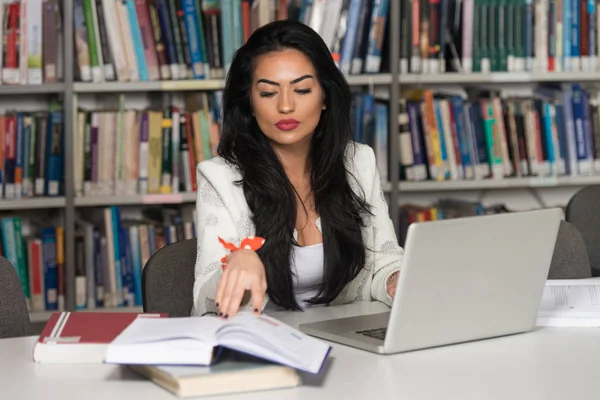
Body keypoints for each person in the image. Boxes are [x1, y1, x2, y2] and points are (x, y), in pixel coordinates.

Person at [192, 19, 404, 319]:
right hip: (264, 344)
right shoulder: (220, 177)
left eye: (302, 90)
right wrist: (235, 264)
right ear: (250, 103)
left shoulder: (359, 162)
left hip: (344, 339)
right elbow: (205, 298)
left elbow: (384, 260)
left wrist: (395, 281)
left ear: (325, 97)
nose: (286, 106)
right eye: (268, 93)